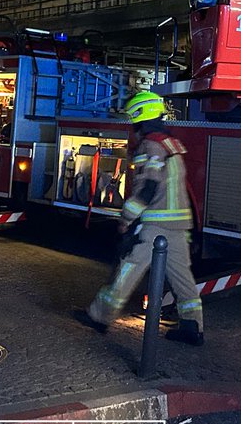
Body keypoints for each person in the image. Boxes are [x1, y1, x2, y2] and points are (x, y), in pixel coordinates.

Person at [74, 90, 205, 345]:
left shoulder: (150, 145)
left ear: (140, 116)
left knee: (128, 268)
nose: (132, 124)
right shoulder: (170, 144)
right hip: (179, 224)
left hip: (156, 225)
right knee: (182, 277)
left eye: (133, 118)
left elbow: (147, 187)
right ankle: (193, 326)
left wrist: (126, 218)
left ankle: (100, 316)